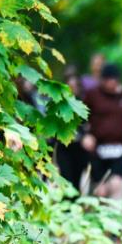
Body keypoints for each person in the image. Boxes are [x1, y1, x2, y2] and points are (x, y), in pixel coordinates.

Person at [81, 63, 122, 202]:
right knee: (100, 189)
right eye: (107, 80)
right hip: (97, 148)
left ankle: (116, 217)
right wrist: (85, 135)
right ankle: (100, 219)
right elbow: (81, 117)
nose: (111, 83)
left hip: (120, 148)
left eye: (114, 80)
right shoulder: (92, 95)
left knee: (116, 183)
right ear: (102, 80)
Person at [52, 66, 90, 195]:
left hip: (79, 148)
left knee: (77, 179)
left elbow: (87, 125)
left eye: (75, 86)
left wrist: (85, 134)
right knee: (66, 178)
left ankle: (75, 207)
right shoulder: (58, 104)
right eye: (70, 86)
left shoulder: (83, 104)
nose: (73, 89)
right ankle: (66, 208)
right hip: (64, 147)